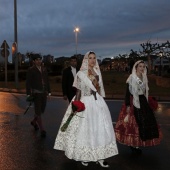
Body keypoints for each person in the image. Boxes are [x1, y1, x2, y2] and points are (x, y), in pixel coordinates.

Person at [54, 51, 118, 168]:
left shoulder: (97, 72)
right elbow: (78, 91)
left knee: (99, 129)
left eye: (94, 58)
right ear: (86, 60)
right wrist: (76, 105)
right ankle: (85, 155)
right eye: (90, 58)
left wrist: (100, 102)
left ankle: (100, 156)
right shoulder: (81, 74)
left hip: (97, 103)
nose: (93, 60)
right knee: (86, 130)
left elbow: (99, 90)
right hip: (85, 102)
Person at [115, 60, 162, 153]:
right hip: (133, 101)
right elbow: (128, 93)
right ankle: (132, 143)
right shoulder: (132, 77)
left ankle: (136, 143)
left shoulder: (144, 77)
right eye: (140, 66)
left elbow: (144, 91)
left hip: (142, 101)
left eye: (143, 67)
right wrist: (128, 105)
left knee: (143, 122)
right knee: (134, 123)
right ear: (136, 67)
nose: (142, 68)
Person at [26, 53, 51, 137]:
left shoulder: (44, 69)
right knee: (38, 111)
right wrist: (29, 94)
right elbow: (28, 83)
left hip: (44, 93)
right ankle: (42, 129)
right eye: (37, 60)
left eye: (40, 59)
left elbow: (47, 81)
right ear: (34, 61)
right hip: (36, 94)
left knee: (42, 109)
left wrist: (49, 91)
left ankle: (34, 122)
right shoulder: (31, 70)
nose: (39, 61)